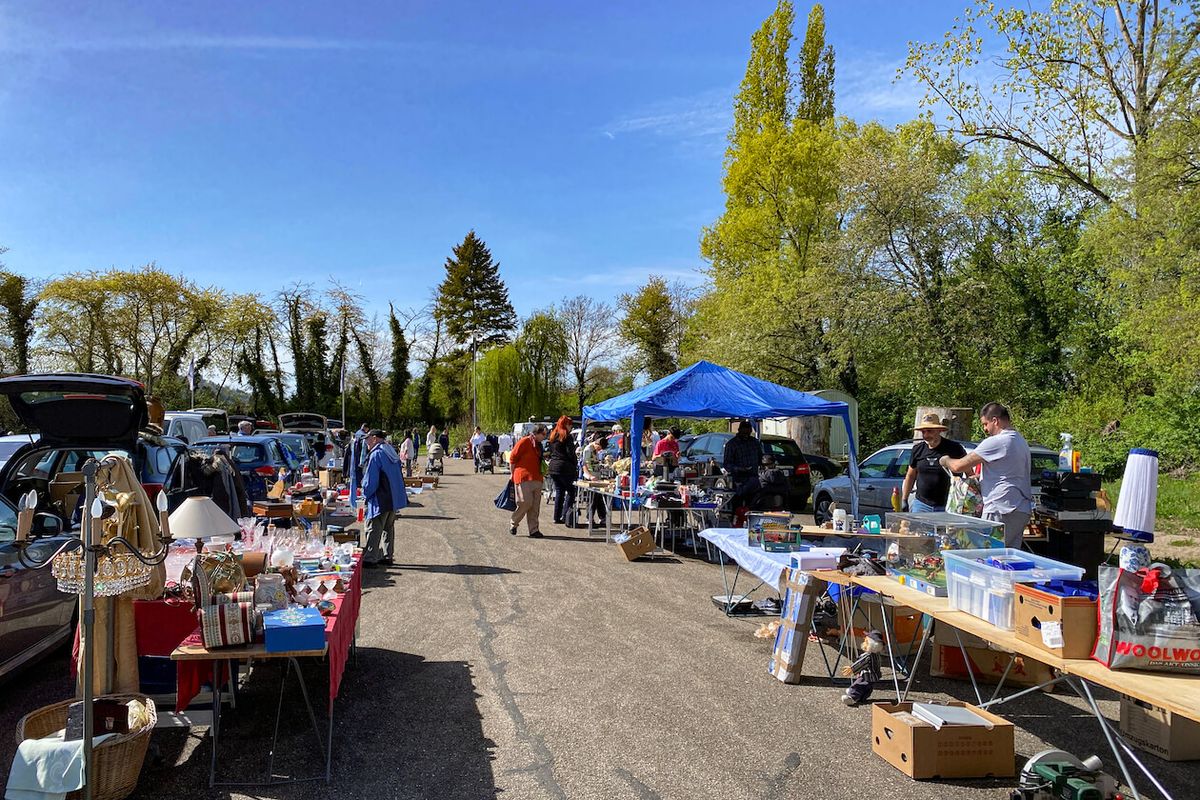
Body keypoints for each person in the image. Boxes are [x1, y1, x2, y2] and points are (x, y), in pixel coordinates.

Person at [939, 402, 1032, 548]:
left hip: (1000, 508)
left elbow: (959, 466)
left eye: (985, 424)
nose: (985, 429)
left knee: (985, 554)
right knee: (1007, 558)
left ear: (995, 420)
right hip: (1020, 508)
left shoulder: (997, 441)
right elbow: (1006, 474)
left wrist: (945, 460)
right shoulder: (1020, 440)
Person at [902, 413, 967, 513]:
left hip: (949, 505)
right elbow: (910, 476)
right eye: (923, 432)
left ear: (939, 430)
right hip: (921, 505)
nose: (926, 435)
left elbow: (969, 473)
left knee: (946, 529)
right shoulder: (918, 449)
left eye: (929, 431)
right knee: (919, 529)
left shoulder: (954, 448)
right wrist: (904, 499)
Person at [361, 429, 407, 566]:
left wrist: (365, 494)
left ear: (374, 438)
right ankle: (388, 555)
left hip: (380, 498)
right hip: (393, 497)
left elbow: (371, 481)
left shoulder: (376, 454)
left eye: (367, 438)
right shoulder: (391, 451)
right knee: (388, 527)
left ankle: (370, 558)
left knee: (374, 527)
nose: (365, 442)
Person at [508, 424, 548, 538]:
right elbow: (512, 458)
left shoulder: (540, 445)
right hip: (523, 476)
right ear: (536, 433)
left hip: (537, 477)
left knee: (535, 506)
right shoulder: (524, 441)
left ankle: (534, 530)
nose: (544, 437)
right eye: (543, 434)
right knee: (525, 502)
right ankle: (513, 523)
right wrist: (512, 474)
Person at [722, 420, 763, 505]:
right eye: (744, 433)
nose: (746, 435)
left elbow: (760, 458)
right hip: (739, 481)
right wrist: (739, 469)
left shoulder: (755, 442)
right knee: (738, 506)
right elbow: (727, 464)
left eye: (748, 433)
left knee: (754, 506)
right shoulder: (732, 444)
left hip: (753, 479)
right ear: (739, 430)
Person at [546, 416, 578, 526]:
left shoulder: (553, 436)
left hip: (553, 467)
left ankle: (556, 516)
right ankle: (565, 515)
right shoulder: (567, 437)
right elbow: (570, 453)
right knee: (571, 491)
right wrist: (575, 464)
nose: (571, 427)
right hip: (564, 467)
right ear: (566, 425)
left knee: (559, 492)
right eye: (570, 425)